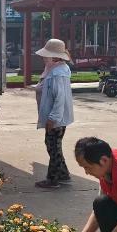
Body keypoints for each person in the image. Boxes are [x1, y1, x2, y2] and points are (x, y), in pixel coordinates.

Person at [35, 38, 75, 189]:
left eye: (47, 55)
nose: (44, 57)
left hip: (56, 118)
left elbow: (60, 98)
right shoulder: (54, 70)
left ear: (55, 56)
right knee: (53, 145)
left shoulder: (58, 73)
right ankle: (63, 174)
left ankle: (53, 179)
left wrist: (53, 118)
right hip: (55, 117)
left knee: (53, 146)